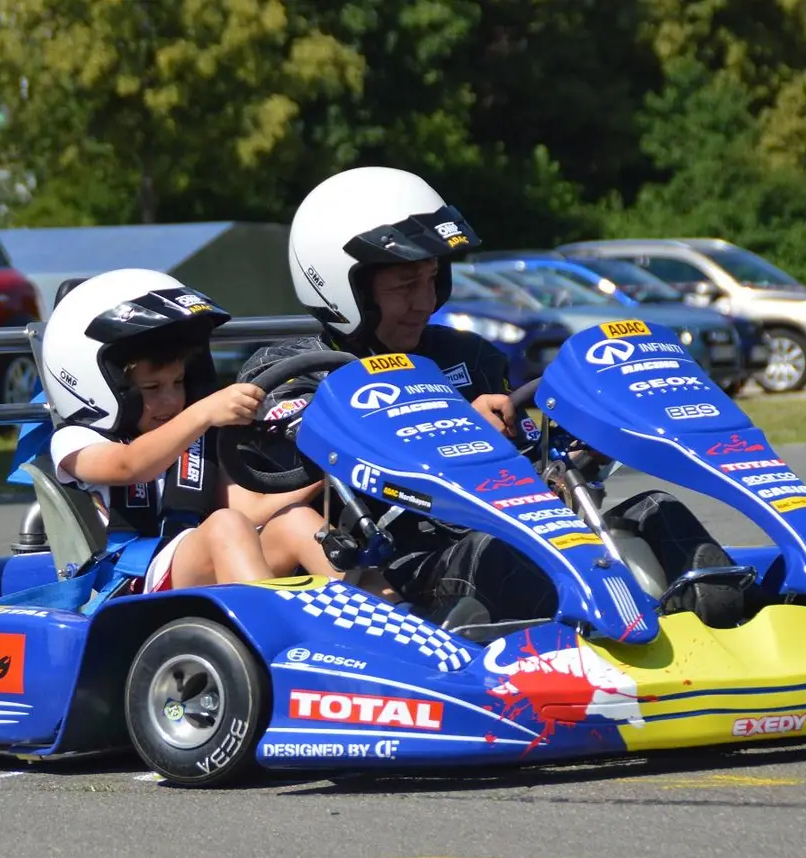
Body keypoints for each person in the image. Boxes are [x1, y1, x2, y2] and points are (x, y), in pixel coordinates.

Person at [236, 167, 745, 627]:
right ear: (344, 289)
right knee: (496, 553)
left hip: (537, 531)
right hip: (408, 565)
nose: (426, 302)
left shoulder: (468, 356)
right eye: (405, 285)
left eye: (434, 280)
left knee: (656, 509)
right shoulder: (291, 374)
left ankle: (724, 628)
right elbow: (280, 497)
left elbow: (534, 459)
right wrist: (453, 428)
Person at [37, 268, 342, 599]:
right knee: (225, 525)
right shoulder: (76, 440)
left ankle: (383, 617)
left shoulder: (196, 437)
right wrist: (204, 412)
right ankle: (275, 632)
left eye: (179, 383)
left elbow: (252, 508)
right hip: (132, 580)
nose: (169, 399)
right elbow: (129, 465)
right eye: (152, 387)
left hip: (199, 560)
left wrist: (330, 467)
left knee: (295, 522)